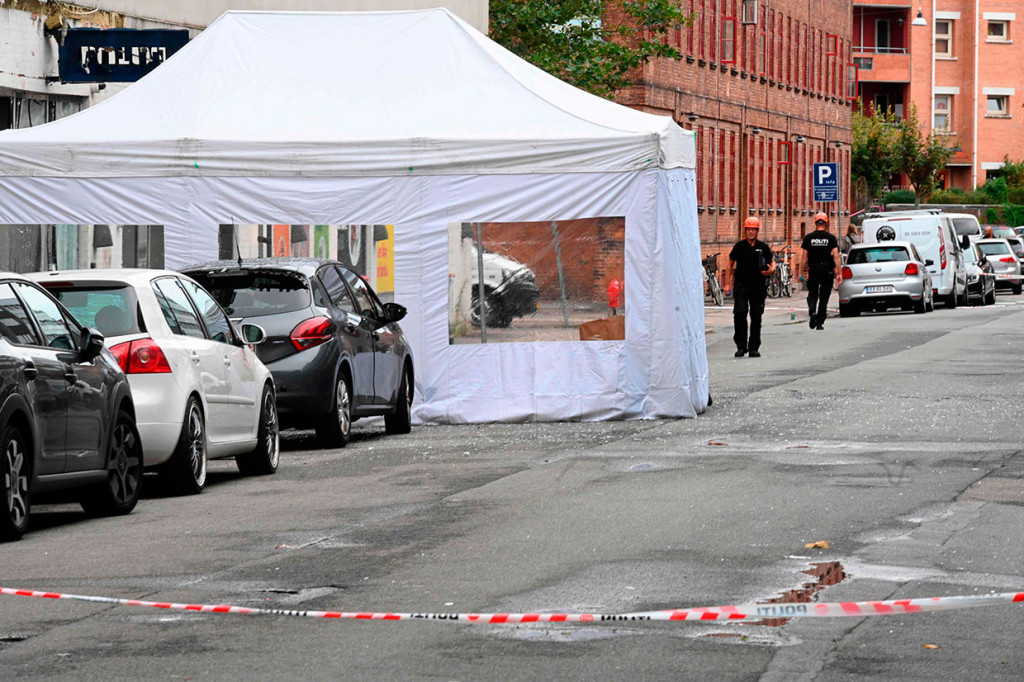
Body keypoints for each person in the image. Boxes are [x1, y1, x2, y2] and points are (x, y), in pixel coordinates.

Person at [729, 216, 775, 357]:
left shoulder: (763, 247)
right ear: (745, 231)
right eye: (748, 229)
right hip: (742, 286)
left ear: (757, 231)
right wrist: (727, 284)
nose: (750, 232)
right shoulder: (739, 247)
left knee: (756, 317)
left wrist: (770, 270)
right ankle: (741, 346)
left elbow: (772, 262)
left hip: (758, 286)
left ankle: (754, 347)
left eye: (753, 230)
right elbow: (730, 264)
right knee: (740, 313)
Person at [801, 212, 842, 330]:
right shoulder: (831, 238)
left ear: (815, 223)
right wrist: (839, 272)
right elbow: (836, 256)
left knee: (812, 293)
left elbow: (804, 256)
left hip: (813, 269)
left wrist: (801, 272)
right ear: (826, 223)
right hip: (827, 270)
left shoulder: (809, 238)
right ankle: (820, 322)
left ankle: (813, 311)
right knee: (824, 296)